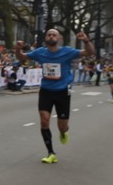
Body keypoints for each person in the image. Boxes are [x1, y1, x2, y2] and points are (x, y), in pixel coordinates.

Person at [15, 28, 95, 164]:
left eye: (54, 35)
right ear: (46, 38)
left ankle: (64, 132)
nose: (51, 36)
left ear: (59, 39)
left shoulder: (67, 51)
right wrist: (17, 49)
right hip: (46, 90)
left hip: (63, 91)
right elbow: (22, 57)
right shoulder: (40, 52)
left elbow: (89, 52)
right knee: (44, 120)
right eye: (49, 34)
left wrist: (86, 41)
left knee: (62, 126)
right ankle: (51, 153)